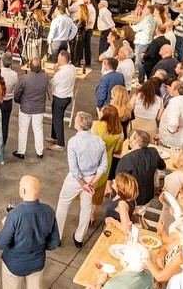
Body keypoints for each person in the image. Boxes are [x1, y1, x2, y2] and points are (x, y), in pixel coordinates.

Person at [0, 175, 60, 288]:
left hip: (14, 264)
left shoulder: (14, 215)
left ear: (22, 191)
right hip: (37, 263)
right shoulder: (49, 211)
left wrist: (4, 226)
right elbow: (54, 243)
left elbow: (2, 243)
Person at [55, 112, 107, 248]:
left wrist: (83, 183)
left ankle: (57, 236)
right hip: (91, 178)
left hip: (76, 179)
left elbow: (74, 168)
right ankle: (79, 238)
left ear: (79, 125)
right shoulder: (99, 141)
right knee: (86, 207)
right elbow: (103, 166)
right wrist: (92, 183)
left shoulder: (73, 141)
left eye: (76, 121)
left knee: (63, 203)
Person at [116, 129, 167, 224]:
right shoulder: (153, 152)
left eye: (131, 137)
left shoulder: (127, 159)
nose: (130, 139)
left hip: (131, 199)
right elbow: (162, 166)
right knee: (139, 217)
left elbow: (119, 182)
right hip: (148, 196)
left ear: (135, 141)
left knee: (129, 222)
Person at [90, 106, 124, 222]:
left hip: (90, 160)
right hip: (105, 163)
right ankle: (92, 214)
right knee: (98, 190)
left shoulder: (95, 125)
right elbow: (118, 151)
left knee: (87, 185)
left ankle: (85, 212)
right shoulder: (119, 132)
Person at [13, 58, 50, 159]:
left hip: (25, 106)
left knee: (23, 129)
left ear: (30, 67)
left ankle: (21, 151)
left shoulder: (24, 78)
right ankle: (39, 152)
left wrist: (18, 101)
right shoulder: (46, 77)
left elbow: (17, 93)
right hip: (39, 107)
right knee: (38, 129)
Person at [131, 6, 157, 82]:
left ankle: (141, 79)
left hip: (142, 42)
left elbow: (137, 28)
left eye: (144, 9)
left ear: (149, 11)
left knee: (140, 61)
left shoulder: (147, 20)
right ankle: (142, 77)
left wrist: (130, 27)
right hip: (145, 41)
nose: (143, 10)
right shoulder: (151, 19)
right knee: (141, 61)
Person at [0, 53, 19, 147]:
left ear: (1, 61)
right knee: (5, 123)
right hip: (8, 101)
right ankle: (2, 144)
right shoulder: (14, 74)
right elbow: (15, 86)